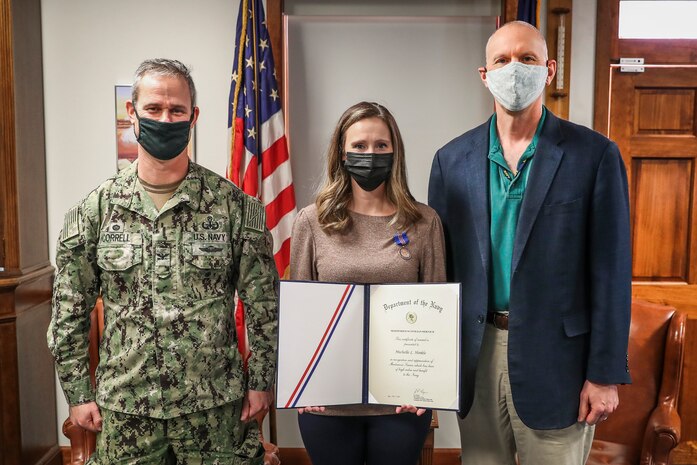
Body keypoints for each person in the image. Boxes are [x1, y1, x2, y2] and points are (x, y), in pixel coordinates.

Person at [48, 58, 278, 464]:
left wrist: (261, 381)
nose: (165, 119)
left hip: (214, 408)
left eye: (177, 111)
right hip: (126, 408)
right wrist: (78, 393)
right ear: (132, 115)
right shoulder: (94, 211)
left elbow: (264, 305)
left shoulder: (234, 207)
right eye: (153, 109)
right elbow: (69, 313)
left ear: (194, 118)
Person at [428, 21, 632, 465]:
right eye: (502, 60)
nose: (514, 69)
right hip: (476, 352)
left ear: (549, 69)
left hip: (559, 361)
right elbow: (440, 273)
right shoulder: (450, 161)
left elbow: (612, 272)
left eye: (527, 58)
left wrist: (604, 374)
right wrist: (426, 369)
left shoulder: (595, 156)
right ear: (485, 74)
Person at [290, 101, 446, 465]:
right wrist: (301, 382)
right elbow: (299, 312)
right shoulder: (311, 222)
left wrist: (428, 384)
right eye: (358, 146)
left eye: (380, 146)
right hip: (327, 400)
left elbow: (439, 314)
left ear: (395, 153)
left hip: (401, 402)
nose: (370, 154)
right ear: (341, 154)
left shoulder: (425, 222)